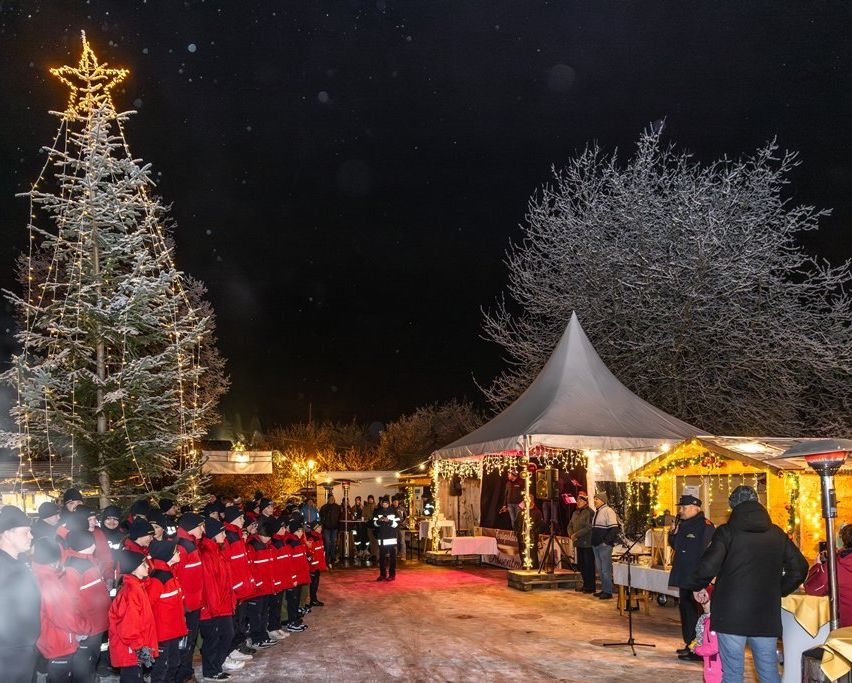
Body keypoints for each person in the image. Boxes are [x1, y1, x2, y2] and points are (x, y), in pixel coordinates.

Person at [687, 485, 808, 683]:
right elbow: (800, 568)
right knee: (769, 671)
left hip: (730, 613)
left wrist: (697, 585)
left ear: (733, 507)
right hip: (765, 614)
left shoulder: (727, 532)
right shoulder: (777, 534)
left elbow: (708, 565)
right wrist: (779, 590)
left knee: (733, 674)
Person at [668, 494, 715, 662]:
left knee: (698, 614)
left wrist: (703, 578)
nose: (681, 511)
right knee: (686, 612)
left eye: (684, 508)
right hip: (683, 575)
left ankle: (699, 648)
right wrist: (673, 533)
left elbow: (709, 553)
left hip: (696, 578)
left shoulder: (705, 526)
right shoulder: (684, 524)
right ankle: (690, 643)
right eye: (681, 508)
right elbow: (676, 545)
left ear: (696, 508)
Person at [32, 537, 86, 683]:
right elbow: (62, 615)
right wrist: (82, 628)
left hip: (48, 639)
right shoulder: (49, 581)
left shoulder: (37, 574)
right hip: (59, 642)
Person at [0, 505, 41, 683]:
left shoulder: (19, 562)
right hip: (8, 659)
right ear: (8, 533)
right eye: (26, 532)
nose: (31, 536)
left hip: (24, 653)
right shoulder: (3, 567)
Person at [65, 529, 111, 681]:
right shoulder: (75, 568)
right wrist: (80, 628)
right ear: (89, 543)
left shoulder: (88, 561)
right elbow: (70, 602)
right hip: (86, 630)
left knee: (90, 664)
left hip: (95, 626)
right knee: (83, 668)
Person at [199, 518, 241, 679]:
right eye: (222, 532)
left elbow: (226, 580)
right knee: (214, 639)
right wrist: (215, 609)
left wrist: (231, 600)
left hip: (223, 604)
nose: (225, 535)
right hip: (213, 608)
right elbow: (209, 586)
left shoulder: (219, 550)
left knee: (227, 635)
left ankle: (216, 666)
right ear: (213, 535)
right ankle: (210, 670)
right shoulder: (206, 554)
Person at [108, 550, 158, 683]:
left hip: (134, 649)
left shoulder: (137, 587)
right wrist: (139, 648)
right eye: (143, 564)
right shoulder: (131, 592)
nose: (148, 566)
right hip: (130, 650)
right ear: (133, 569)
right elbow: (128, 628)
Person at [145, 539, 187, 683]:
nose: (179, 553)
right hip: (162, 634)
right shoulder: (158, 579)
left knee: (174, 663)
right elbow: (147, 606)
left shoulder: (170, 573)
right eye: (176, 551)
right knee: (162, 667)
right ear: (167, 555)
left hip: (173, 631)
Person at [173, 512, 205, 683]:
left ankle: (186, 672)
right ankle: (181, 676)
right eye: (201, 526)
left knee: (190, 642)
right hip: (185, 606)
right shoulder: (182, 547)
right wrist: (182, 602)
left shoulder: (192, 544)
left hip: (193, 603)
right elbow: (175, 576)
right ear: (192, 527)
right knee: (183, 644)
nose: (203, 529)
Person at [222, 506, 256, 660]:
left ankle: (239, 644)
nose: (244, 520)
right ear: (234, 519)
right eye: (241, 518)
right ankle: (232, 648)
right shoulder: (230, 536)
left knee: (241, 619)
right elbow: (229, 564)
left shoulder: (236, 534)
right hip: (235, 587)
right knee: (235, 620)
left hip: (241, 585)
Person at [804, 523, 852, 626]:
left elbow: (812, 589)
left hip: (847, 629)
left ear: (843, 540)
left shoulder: (834, 565)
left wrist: (818, 566)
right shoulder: (835, 562)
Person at [591, 491, 619, 600]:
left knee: (605, 569)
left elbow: (614, 528)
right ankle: (604, 589)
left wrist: (606, 542)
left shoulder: (608, 511)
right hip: (596, 545)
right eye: (594, 499)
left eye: (596, 499)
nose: (594, 501)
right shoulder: (597, 512)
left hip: (604, 546)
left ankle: (608, 591)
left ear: (602, 500)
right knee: (600, 568)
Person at [692, 585, 723, 683]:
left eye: (706, 602)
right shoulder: (708, 619)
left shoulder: (712, 622)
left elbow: (714, 647)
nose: (703, 605)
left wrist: (697, 649)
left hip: (715, 664)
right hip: (711, 662)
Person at [566, 491, 595, 593]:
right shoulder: (575, 513)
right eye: (577, 500)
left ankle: (590, 586)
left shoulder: (590, 512)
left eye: (580, 500)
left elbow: (589, 527)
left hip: (587, 543)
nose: (578, 502)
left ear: (585, 501)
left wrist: (576, 535)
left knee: (588, 565)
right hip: (578, 543)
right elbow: (569, 525)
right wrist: (571, 534)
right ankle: (585, 584)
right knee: (581, 565)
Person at [371, 497, 400, 581]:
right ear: (381, 503)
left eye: (386, 503)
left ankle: (392, 575)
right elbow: (374, 524)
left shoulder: (394, 511)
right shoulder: (378, 511)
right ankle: (382, 575)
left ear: (389, 503)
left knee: (392, 558)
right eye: (383, 503)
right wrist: (379, 521)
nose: (384, 504)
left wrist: (389, 521)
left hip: (391, 538)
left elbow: (397, 524)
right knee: (382, 558)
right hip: (382, 538)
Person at [514, 498, 544, 569]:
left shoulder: (537, 512)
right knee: (523, 554)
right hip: (521, 538)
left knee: (532, 555)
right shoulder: (521, 512)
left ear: (532, 501)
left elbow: (541, 525)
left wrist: (534, 532)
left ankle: (534, 569)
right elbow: (516, 523)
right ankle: (524, 568)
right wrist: (517, 532)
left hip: (532, 538)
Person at [305, 520, 327, 606]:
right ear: (314, 529)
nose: (321, 529)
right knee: (313, 583)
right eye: (319, 527)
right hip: (313, 566)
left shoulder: (319, 537)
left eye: (321, 527)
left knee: (316, 583)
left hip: (317, 565)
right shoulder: (312, 538)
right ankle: (313, 600)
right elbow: (309, 552)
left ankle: (313, 599)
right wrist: (311, 564)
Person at [319, 495, 341, 566]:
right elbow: (321, 517)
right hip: (326, 528)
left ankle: (333, 556)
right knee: (327, 542)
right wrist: (323, 524)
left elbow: (340, 517)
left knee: (334, 543)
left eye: (333, 498)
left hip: (335, 528)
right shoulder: (324, 507)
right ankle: (327, 556)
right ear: (328, 499)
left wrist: (338, 525)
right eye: (331, 498)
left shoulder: (337, 507)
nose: (332, 499)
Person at [363, 495, 378, 561]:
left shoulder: (376, 507)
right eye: (369, 499)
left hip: (375, 526)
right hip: (369, 525)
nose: (370, 500)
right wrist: (367, 518)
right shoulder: (366, 507)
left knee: (376, 540)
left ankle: (376, 554)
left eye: (371, 499)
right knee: (371, 540)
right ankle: (372, 554)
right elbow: (363, 516)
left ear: (373, 499)